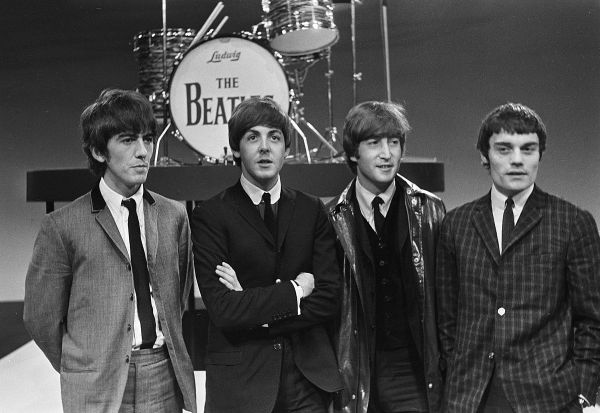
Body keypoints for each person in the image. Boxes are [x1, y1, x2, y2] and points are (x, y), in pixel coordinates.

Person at [23, 89, 197, 413]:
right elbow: (41, 317)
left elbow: (180, 294)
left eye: (148, 139)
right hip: (96, 383)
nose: (143, 152)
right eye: (128, 140)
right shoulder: (62, 226)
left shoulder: (174, 216)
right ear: (98, 151)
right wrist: (83, 367)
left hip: (162, 376)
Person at [436, 102, 600, 412]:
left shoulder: (572, 222)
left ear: (540, 155)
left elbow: (591, 318)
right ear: (484, 156)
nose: (517, 160)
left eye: (528, 149)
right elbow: (447, 318)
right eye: (504, 149)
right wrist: (454, 378)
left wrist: (583, 391)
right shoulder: (456, 223)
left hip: (548, 396)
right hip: (470, 396)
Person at [191, 96, 343, 413]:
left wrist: (257, 315)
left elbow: (329, 297)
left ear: (285, 149)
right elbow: (223, 310)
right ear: (236, 149)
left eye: (274, 137)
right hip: (240, 383)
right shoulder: (210, 215)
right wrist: (296, 290)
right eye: (253, 137)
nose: (264, 148)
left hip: (307, 381)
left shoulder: (312, 209)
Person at [327, 101, 446, 413]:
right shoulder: (332, 217)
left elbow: (446, 298)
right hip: (356, 371)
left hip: (413, 371)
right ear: (353, 152)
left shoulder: (430, 210)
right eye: (374, 143)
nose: (387, 153)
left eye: (394, 142)